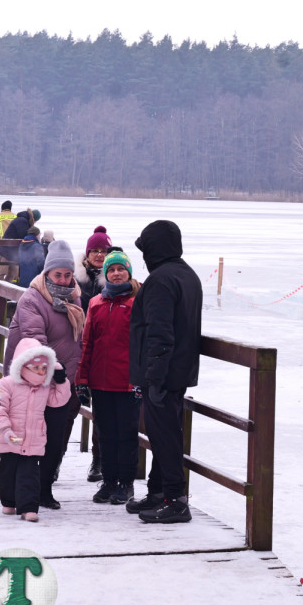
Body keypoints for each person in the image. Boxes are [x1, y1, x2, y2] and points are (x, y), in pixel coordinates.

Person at [128, 220, 202, 524]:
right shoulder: (187, 275)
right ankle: (159, 491)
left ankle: (175, 499)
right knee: (163, 433)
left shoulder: (161, 280)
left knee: (165, 435)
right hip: (179, 369)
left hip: (162, 373)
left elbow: (160, 332)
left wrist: (154, 377)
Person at [3, 239, 85, 510]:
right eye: (58, 274)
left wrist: (71, 378)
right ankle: (16, 492)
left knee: (55, 437)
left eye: (68, 274)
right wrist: (55, 370)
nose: (63, 279)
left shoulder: (74, 297)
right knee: (28, 437)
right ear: (47, 273)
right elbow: (33, 340)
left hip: (61, 383)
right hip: (31, 382)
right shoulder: (32, 298)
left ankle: (45, 489)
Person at [75, 250, 141, 505]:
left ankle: (126, 483)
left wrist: (140, 380)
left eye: (120, 269)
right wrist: (82, 378)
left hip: (127, 381)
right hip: (100, 381)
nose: (115, 273)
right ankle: (109, 480)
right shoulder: (96, 303)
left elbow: (141, 343)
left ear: (128, 272)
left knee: (126, 434)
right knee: (105, 434)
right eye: (111, 270)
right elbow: (87, 341)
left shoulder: (138, 301)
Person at [0, 338, 71, 523]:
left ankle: (28, 508)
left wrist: (61, 380)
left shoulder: (45, 387)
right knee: (7, 470)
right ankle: (9, 501)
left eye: (45, 369)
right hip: (10, 437)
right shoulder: (7, 384)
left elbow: (59, 400)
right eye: (36, 369)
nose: (41, 372)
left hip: (34, 439)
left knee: (30, 474)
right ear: (23, 365)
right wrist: (5, 429)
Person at [74, 225, 112, 481]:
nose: (99, 255)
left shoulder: (116, 278)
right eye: (95, 250)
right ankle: (52, 464)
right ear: (87, 254)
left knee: (101, 411)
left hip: (102, 352)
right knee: (66, 407)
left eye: (104, 250)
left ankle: (98, 462)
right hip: (75, 348)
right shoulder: (75, 278)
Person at [0, 209, 38, 284]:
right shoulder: (22, 221)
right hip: (6, 250)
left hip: (13, 252)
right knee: (1, 273)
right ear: (34, 219)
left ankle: (5, 291)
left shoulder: (24, 221)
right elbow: (23, 236)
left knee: (13, 273)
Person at [0, 201, 17, 279]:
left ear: (2, 208)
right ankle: (10, 285)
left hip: (3, 244)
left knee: (2, 269)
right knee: (13, 268)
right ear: (10, 208)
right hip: (14, 245)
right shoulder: (15, 216)